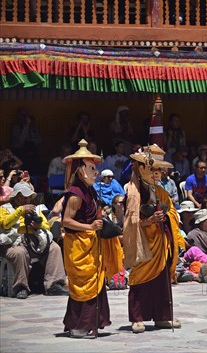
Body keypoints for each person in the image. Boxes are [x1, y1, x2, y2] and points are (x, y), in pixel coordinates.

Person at [61, 140, 122, 338]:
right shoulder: (75, 194)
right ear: (80, 171)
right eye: (92, 168)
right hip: (79, 245)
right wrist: (89, 226)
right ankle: (80, 326)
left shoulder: (90, 190)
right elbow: (66, 221)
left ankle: (85, 324)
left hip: (92, 244)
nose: (96, 172)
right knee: (84, 284)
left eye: (96, 168)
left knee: (94, 283)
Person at [123, 144, 186, 333]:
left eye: (159, 170)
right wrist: (149, 220)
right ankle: (137, 317)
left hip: (161, 241)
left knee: (162, 280)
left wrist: (166, 216)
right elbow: (130, 223)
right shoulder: (134, 193)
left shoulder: (161, 192)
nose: (157, 173)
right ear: (141, 168)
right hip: (144, 243)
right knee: (139, 278)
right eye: (152, 168)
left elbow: (173, 211)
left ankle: (162, 317)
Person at [1, 182, 68, 300]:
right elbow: (5, 224)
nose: (27, 199)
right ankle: (21, 287)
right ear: (16, 197)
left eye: (28, 197)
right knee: (19, 252)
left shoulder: (35, 209)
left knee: (54, 248)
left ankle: (53, 285)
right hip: (13, 242)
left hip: (35, 240)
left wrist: (38, 225)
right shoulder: (4, 208)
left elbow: (47, 226)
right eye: (23, 197)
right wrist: (20, 211)